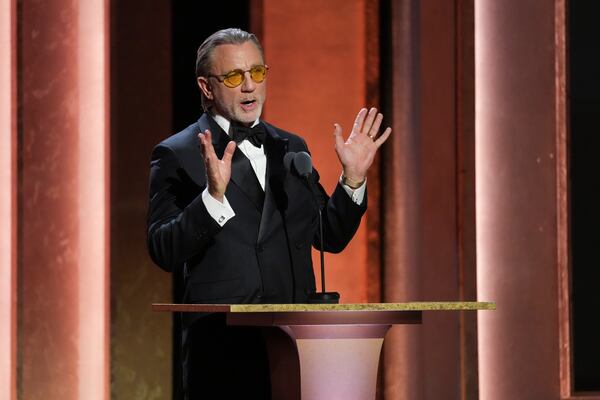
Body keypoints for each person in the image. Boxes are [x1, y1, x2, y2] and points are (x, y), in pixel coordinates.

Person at [147, 28, 391, 399]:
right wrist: (212, 198)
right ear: (206, 87)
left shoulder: (290, 147)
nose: (249, 87)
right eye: (233, 76)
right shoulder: (177, 153)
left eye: (257, 73)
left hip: (296, 349)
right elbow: (163, 249)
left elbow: (330, 235)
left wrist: (352, 181)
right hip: (223, 351)